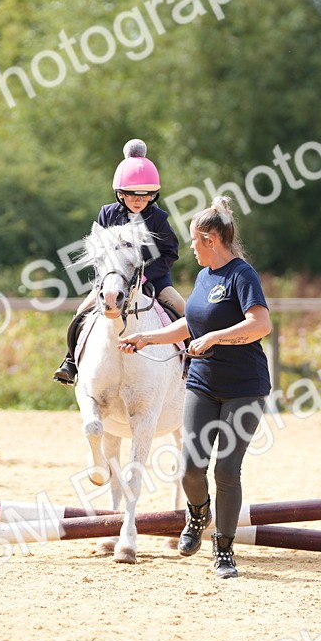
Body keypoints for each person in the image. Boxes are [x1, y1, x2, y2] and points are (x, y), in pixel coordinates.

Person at [116, 196, 271, 578]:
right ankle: (198, 514)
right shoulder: (203, 277)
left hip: (244, 388)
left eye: (193, 241)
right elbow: (190, 325)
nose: (190, 248)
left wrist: (216, 338)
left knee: (226, 470)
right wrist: (147, 338)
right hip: (202, 383)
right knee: (189, 467)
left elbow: (260, 324)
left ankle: (224, 548)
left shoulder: (242, 275)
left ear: (210, 240)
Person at [52, 138, 186, 385]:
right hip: (113, 279)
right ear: (120, 193)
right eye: (132, 195)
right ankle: (70, 362)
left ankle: (192, 363)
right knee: (80, 312)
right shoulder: (108, 214)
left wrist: (145, 275)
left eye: (146, 196)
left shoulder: (158, 218)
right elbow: (98, 250)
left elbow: (170, 252)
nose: (139, 200)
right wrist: (108, 277)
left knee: (182, 309)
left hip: (154, 279)